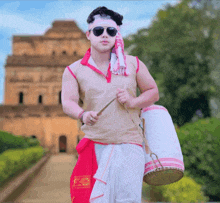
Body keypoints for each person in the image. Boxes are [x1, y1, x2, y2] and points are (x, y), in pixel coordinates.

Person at [61, 6, 159, 203]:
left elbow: (153, 92)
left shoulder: (132, 63)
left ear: (117, 35)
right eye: (98, 31)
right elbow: (68, 102)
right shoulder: (74, 70)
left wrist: (133, 101)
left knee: (128, 199)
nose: (104, 35)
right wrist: (82, 114)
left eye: (111, 31)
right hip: (96, 145)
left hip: (130, 144)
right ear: (88, 34)